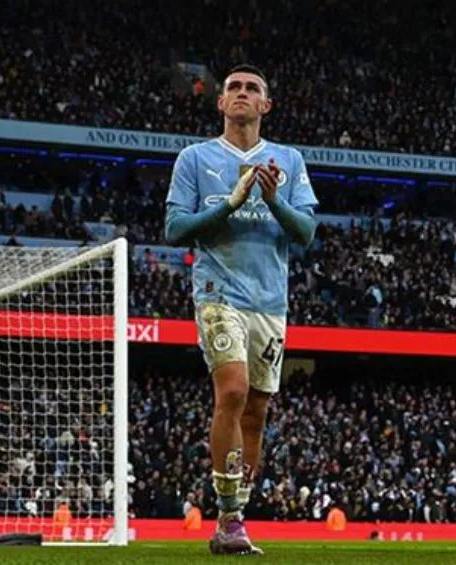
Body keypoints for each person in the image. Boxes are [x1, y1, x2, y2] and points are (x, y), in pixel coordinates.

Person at [164, 63, 319, 555]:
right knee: (231, 389)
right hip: (218, 290)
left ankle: (234, 519)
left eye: (252, 88)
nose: (242, 94)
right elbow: (174, 230)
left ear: (265, 105)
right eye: (234, 87)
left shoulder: (289, 161)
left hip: (270, 301)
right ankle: (227, 515)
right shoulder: (194, 158)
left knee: (256, 412)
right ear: (220, 101)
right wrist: (232, 201)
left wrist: (272, 199)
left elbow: (306, 233)